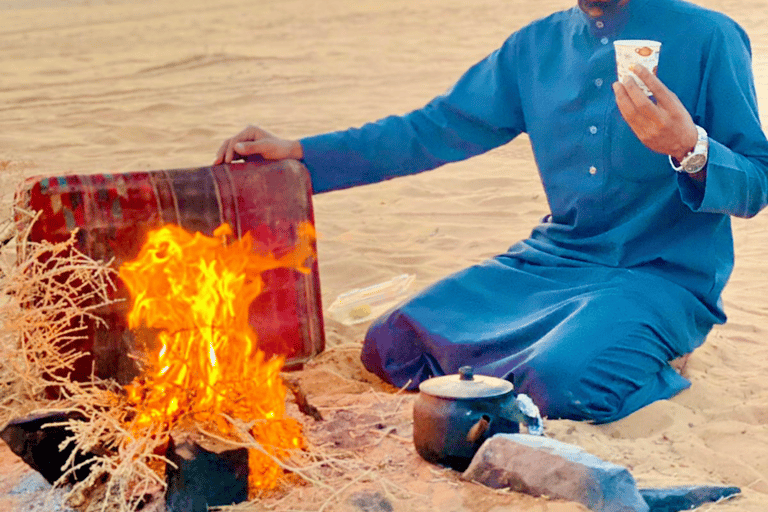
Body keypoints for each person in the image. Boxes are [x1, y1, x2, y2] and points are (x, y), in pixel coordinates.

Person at [214, 0, 768, 423]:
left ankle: (654, 358)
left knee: (563, 385)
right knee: (391, 345)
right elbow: (429, 132)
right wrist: (302, 153)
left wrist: (689, 146)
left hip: (660, 275)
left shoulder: (709, 37)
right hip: (553, 262)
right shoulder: (535, 48)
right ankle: (598, 345)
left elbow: (755, 182)